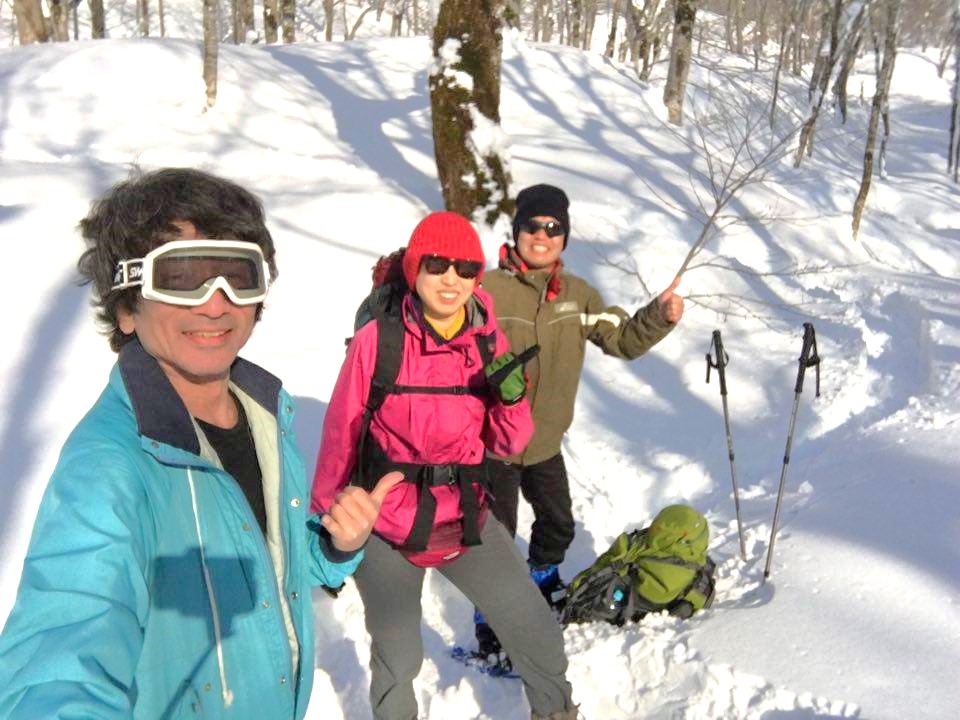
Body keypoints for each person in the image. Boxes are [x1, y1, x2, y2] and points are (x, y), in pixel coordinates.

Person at [0, 168, 398, 719]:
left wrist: (330, 548)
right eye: (182, 278)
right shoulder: (110, 469)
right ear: (126, 307)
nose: (216, 305)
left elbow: (264, 571)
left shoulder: (263, 418)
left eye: (237, 276)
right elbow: (64, 648)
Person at [311, 211, 577, 720]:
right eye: (437, 265)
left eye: (464, 266)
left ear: (477, 274)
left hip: (465, 516)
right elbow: (341, 432)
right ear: (415, 269)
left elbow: (509, 440)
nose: (451, 278)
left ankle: (558, 713)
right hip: (388, 523)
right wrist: (328, 529)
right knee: (398, 654)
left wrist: (511, 399)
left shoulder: (487, 340)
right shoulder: (379, 341)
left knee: (537, 631)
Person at [479, 183, 684, 654]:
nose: (542, 235)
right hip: (495, 446)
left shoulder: (577, 295)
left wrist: (660, 315)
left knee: (558, 526)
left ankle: (539, 585)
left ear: (564, 238)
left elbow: (624, 339)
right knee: (497, 541)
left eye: (553, 228)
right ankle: (490, 627)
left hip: (546, 442)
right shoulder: (488, 290)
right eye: (532, 225)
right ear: (516, 232)